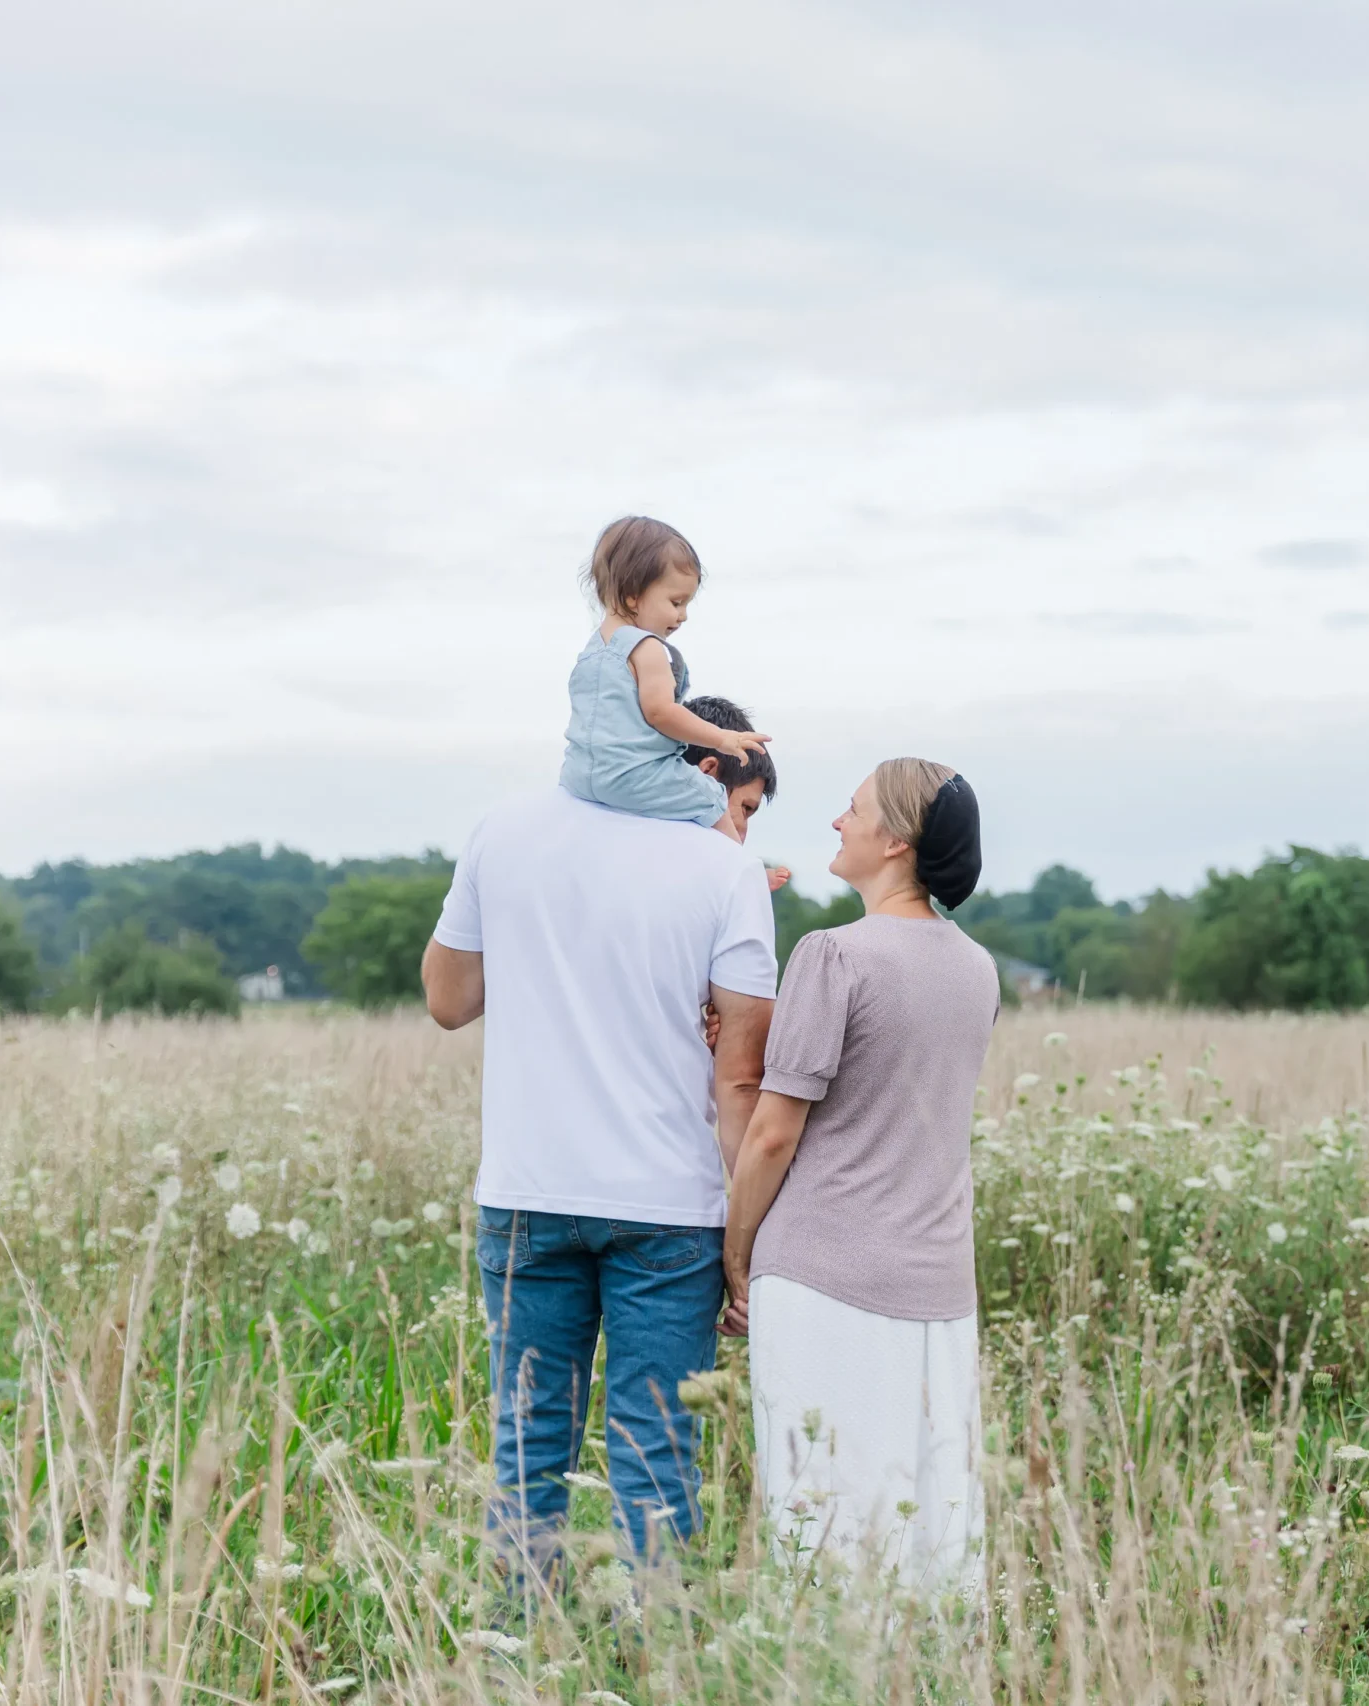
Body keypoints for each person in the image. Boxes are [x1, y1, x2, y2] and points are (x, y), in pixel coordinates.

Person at [421, 711, 779, 1574]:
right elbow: (739, 1078)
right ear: (700, 759)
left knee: (527, 1447)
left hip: (527, 1189)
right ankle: (661, 1672)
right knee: (656, 1453)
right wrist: (746, 1241)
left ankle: (511, 1665)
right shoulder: (723, 869)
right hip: (665, 1204)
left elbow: (447, 998)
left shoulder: (503, 831)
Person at [722, 759, 998, 1590]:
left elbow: (773, 1132)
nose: (837, 822)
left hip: (824, 1278)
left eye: (853, 810)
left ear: (896, 842)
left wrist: (736, 1256)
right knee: (930, 1520)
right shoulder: (976, 966)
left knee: (821, 1516)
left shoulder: (834, 955)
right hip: (938, 1283)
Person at [559, 515, 772, 834]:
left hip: (576, 775)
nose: (683, 616)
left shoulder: (591, 652)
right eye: (676, 602)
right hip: (631, 774)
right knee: (710, 797)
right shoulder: (646, 648)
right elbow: (661, 712)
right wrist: (722, 738)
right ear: (633, 594)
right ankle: (736, 869)